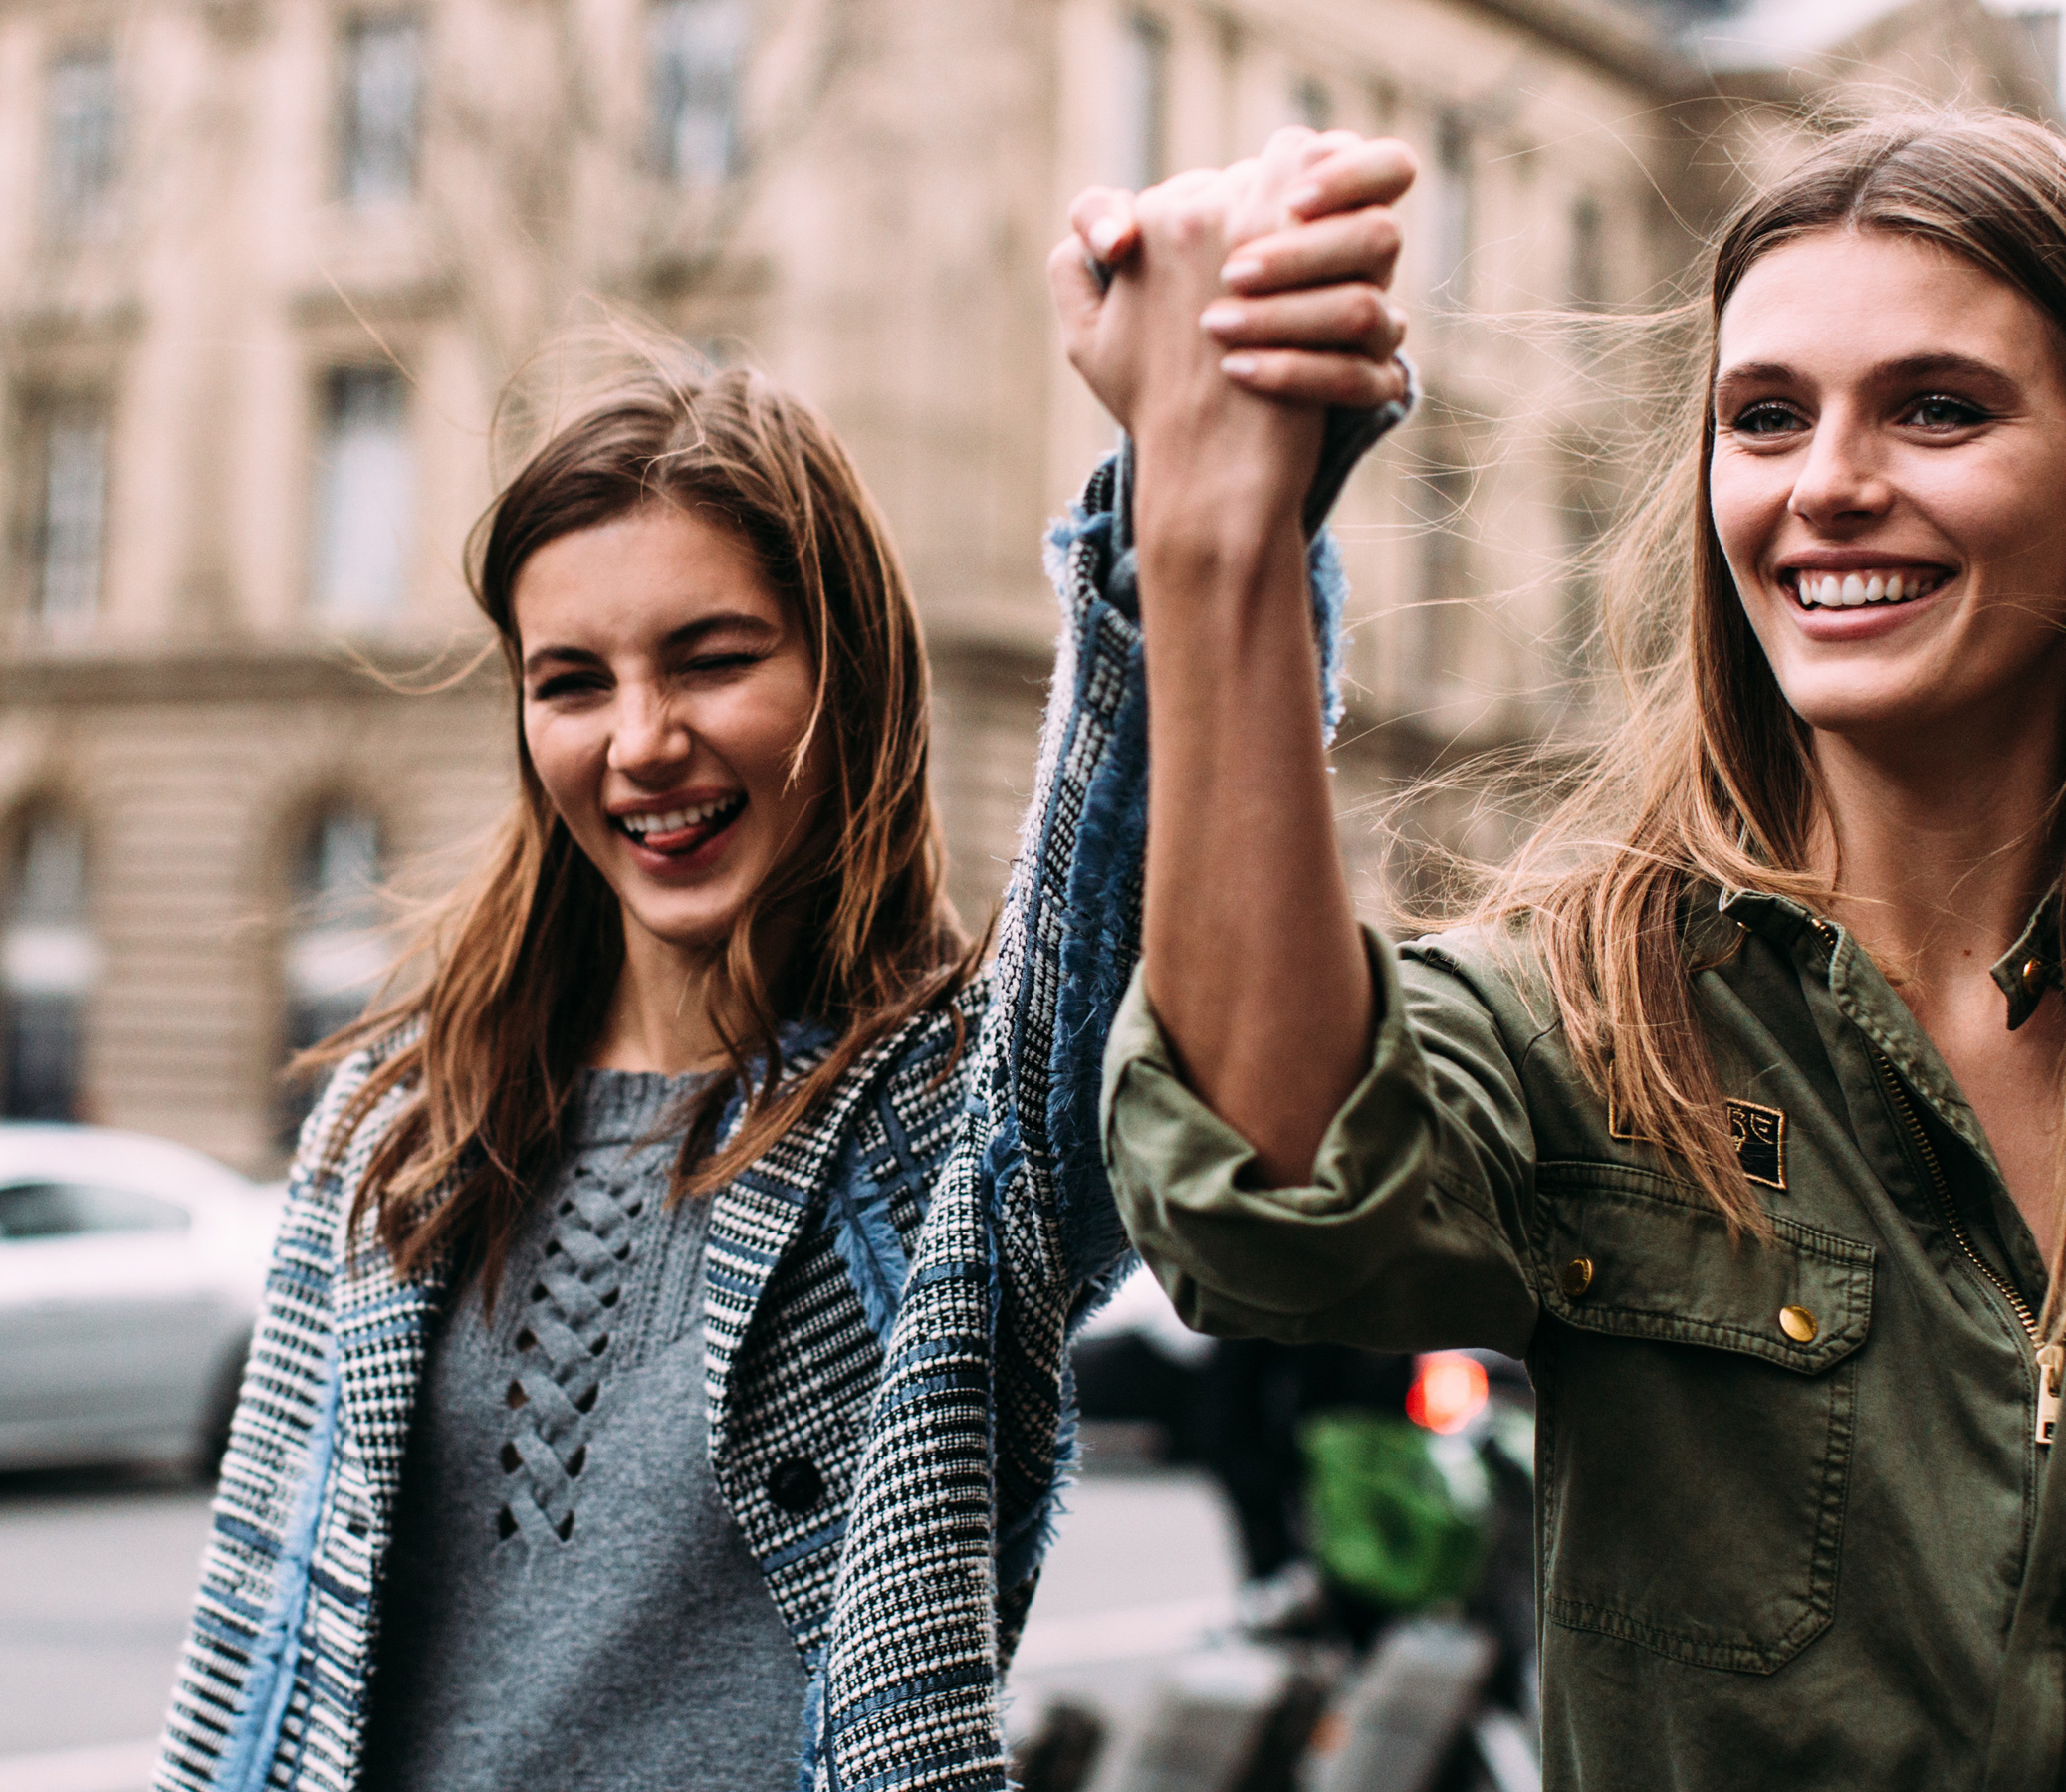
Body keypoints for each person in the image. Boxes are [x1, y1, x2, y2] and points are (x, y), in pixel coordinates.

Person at [1070, 112, 2066, 1787]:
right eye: (1765, 418)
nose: (1830, 482)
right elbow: (1267, 1202)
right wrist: (1216, 541)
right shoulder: (1600, 1020)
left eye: (1936, 407)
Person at [151, 129, 1413, 1792]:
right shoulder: (394, 1127)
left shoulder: (948, 1127)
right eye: (572, 681)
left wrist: (1187, 475)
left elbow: (1118, 872)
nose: (642, 741)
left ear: (851, 680)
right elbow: (246, 1664)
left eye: (713, 657)